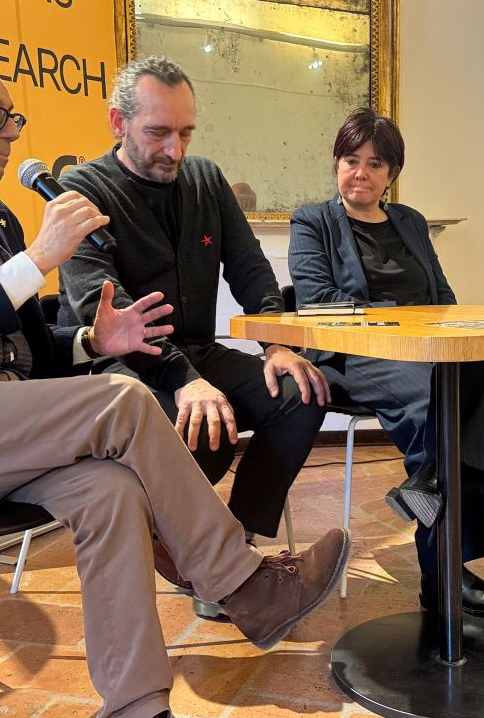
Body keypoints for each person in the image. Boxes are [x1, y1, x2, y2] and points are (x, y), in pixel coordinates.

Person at [0, 52, 349, 718]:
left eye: (12, 118)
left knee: (111, 491)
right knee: (122, 399)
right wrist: (39, 260)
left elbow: (31, 350)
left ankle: (137, 704)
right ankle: (244, 584)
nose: (9, 132)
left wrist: (95, 341)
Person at [57, 56, 331, 616]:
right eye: (158, 133)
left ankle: (235, 547)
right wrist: (186, 381)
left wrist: (277, 345)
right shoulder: (82, 191)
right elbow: (114, 321)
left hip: (196, 354)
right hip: (121, 367)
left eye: (185, 133)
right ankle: (205, 564)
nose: (174, 150)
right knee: (199, 420)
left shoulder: (206, 180)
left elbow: (253, 272)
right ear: (118, 122)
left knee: (301, 391)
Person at [288, 108, 484, 616]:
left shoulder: (411, 222)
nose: (361, 173)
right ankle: (444, 576)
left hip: (424, 351)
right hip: (354, 355)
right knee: (433, 397)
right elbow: (316, 300)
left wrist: (455, 333)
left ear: (391, 174)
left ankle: (427, 485)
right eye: (351, 160)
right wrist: (402, 320)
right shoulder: (313, 221)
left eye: (375, 164)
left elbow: (441, 294)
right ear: (335, 164)